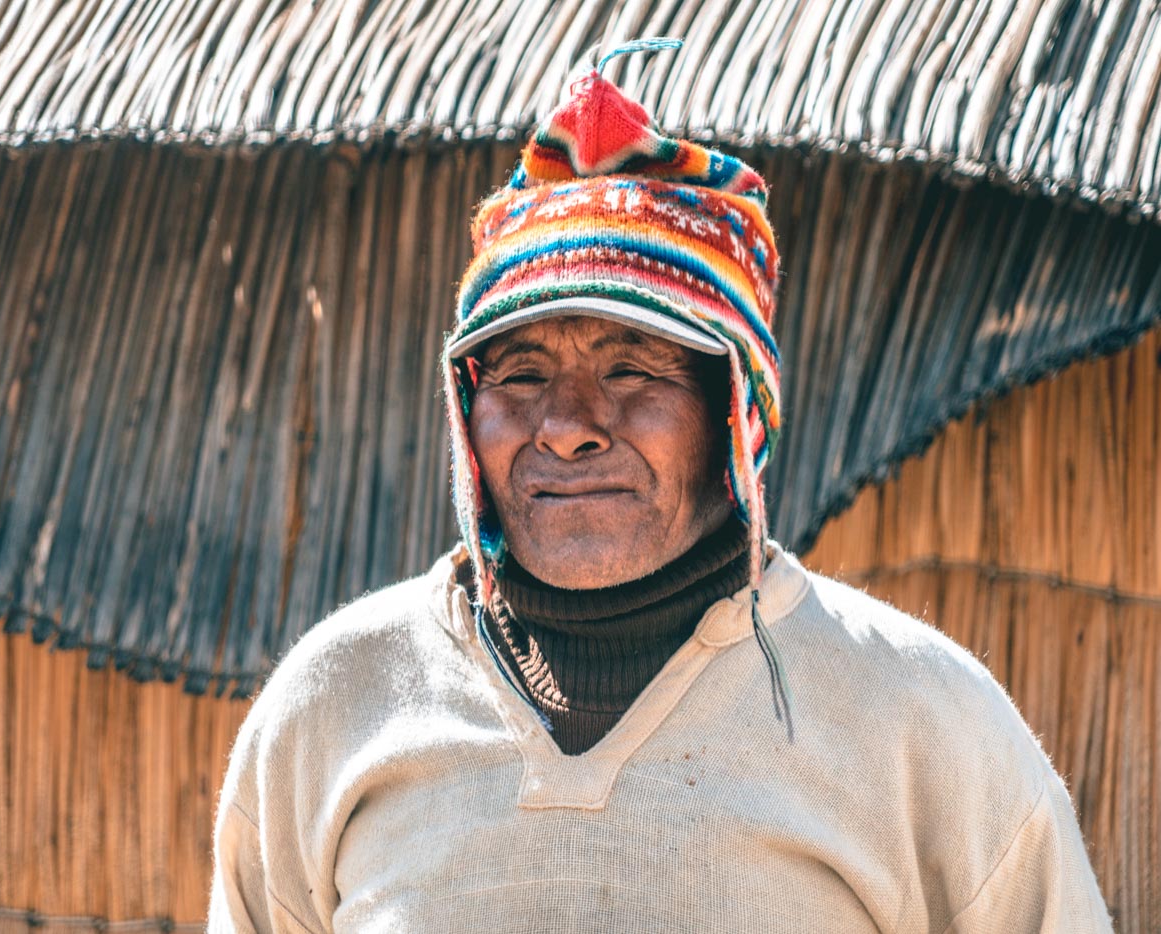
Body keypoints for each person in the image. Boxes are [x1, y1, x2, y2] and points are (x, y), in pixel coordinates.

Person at [208, 44, 1112, 933]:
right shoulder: (338, 705)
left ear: (733, 413)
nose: (566, 424)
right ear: (466, 412)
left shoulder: (914, 721)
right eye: (520, 374)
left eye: (634, 368)